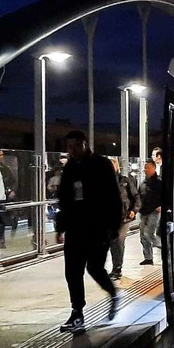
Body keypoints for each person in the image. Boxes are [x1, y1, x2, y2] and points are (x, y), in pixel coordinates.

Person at [55, 130, 122, 334]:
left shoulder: (102, 165)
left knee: (94, 268)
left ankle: (112, 293)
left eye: (76, 146)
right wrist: (61, 227)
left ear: (85, 144)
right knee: (72, 272)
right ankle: (77, 313)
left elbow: (113, 197)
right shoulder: (70, 168)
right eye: (69, 147)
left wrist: (113, 228)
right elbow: (64, 199)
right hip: (75, 229)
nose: (72, 151)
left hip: (97, 229)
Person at [109, 157, 141, 280]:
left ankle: (118, 269)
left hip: (125, 217)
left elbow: (136, 197)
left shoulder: (125, 181)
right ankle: (115, 267)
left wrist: (133, 210)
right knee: (113, 243)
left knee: (119, 241)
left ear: (117, 167)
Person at [138, 158, 162, 266]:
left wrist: (161, 206)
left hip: (154, 211)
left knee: (149, 234)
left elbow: (166, 196)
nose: (145, 170)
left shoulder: (159, 182)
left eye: (147, 168)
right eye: (145, 168)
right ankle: (148, 258)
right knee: (143, 236)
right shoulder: (143, 183)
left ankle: (164, 245)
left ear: (153, 168)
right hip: (144, 212)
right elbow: (139, 196)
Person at [0, 148, 17, 249]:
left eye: (2, 155)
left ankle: (1, 241)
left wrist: (12, 190)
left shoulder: (5, 169)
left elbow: (13, 181)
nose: (2, 157)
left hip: (2, 198)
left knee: (1, 221)